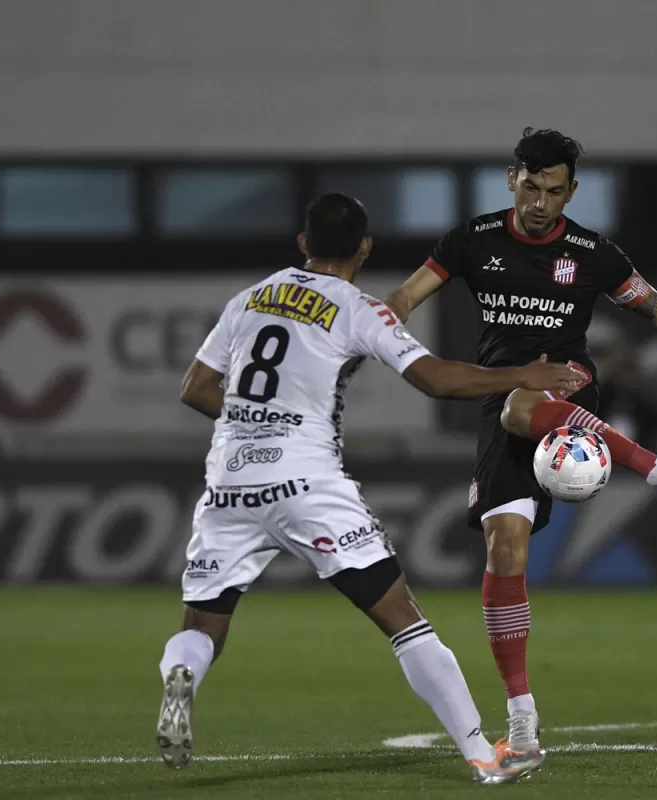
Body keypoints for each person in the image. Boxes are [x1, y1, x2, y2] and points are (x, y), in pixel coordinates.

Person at [157, 192, 583, 785]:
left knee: (202, 626)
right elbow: (434, 378)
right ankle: (484, 756)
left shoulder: (249, 300)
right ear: (364, 248)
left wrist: (254, 422)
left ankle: (183, 678)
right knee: (403, 618)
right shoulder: (358, 308)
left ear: (303, 245)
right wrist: (522, 374)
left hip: (229, 478)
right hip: (307, 478)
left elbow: (197, 388)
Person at [384, 128, 657, 755]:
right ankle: (523, 711)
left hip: (568, 388)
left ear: (572, 191)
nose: (541, 202)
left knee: (520, 405)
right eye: (531, 187)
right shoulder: (471, 242)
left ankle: (656, 468)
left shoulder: (593, 254)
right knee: (504, 548)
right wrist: (367, 327)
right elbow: (405, 296)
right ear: (512, 178)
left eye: (555, 191)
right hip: (500, 399)